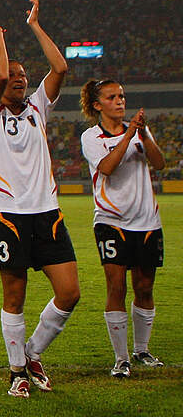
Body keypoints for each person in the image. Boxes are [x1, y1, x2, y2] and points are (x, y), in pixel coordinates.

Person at [0, 0, 77, 398]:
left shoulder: (38, 108)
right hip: (6, 215)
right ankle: (17, 371)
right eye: (14, 75)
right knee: (14, 295)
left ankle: (31, 352)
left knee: (69, 292)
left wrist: (34, 25)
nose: (19, 79)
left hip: (46, 213)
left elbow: (61, 67)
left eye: (23, 75)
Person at [79, 79, 167, 376]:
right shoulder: (91, 137)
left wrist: (143, 134)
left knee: (144, 287)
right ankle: (121, 358)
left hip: (147, 221)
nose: (120, 101)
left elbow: (160, 163)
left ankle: (142, 350)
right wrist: (130, 133)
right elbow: (107, 167)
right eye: (112, 97)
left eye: (122, 96)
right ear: (97, 105)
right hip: (111, 222)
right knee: (116, 287)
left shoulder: (139, 132)